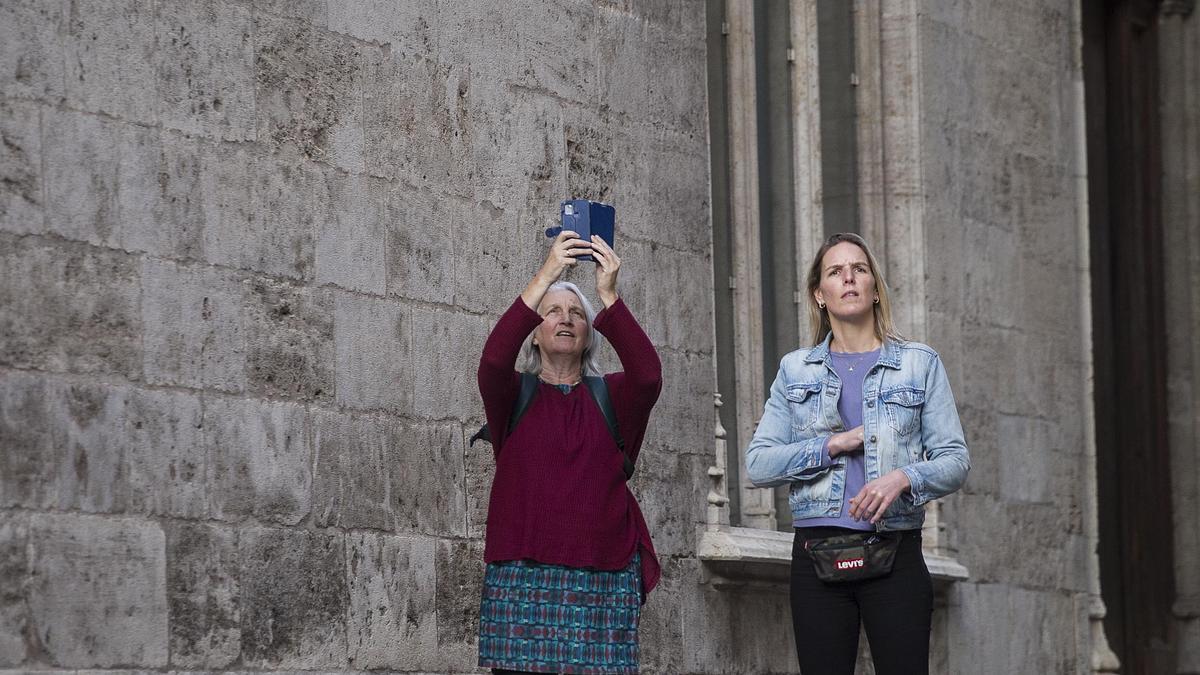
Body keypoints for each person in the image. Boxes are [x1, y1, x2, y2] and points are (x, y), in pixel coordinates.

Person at [745, 232, 970, 674]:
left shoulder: (918, 363)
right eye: (835, 272)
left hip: (895, 551)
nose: (848, 278)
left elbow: (955, 460)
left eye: (859, 269)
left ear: (874, 287)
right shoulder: (795, 369)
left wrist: (903, 477)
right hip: (816, 555)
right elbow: (759, 463)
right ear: (819, 294)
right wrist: (832, 444)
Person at [476, 229, 663, 675]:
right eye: (553, 312)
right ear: (534, 334)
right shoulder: (513, 394)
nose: (565, 319)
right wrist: (547, 274)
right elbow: (493, 361)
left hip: (602, 576)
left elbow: (649, 376)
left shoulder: (612, 398)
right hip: (522, 576)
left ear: (589, 335)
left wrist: (609, 295)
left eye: (577, 314)